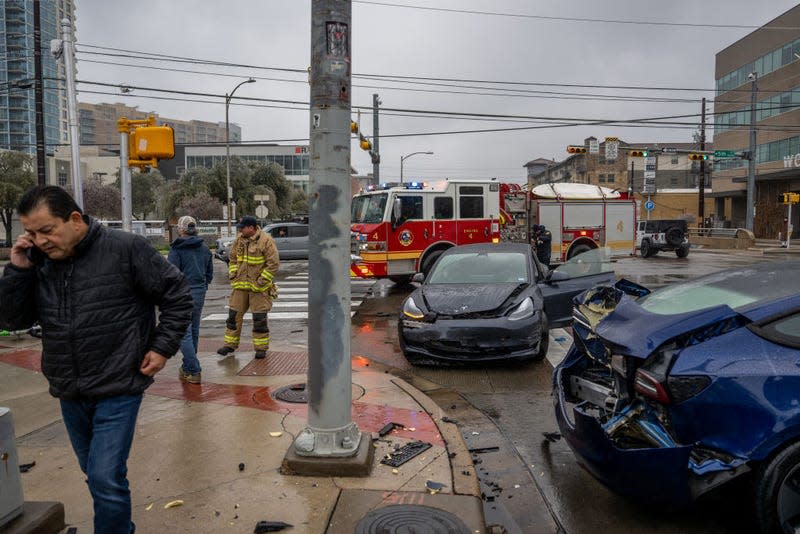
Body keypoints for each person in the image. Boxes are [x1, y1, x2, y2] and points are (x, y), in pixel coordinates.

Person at [0, 185, 192, 534]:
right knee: (97, 473)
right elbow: (14, 321)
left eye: (46, 230)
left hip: (119, 383)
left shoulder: (125, 248)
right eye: (30, 232)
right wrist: (18, 270)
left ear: (75, 219)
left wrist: (163, 347)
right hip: (69, 389)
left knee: (105, 476)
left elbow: (177, 294)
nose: (39, 240)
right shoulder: (38, 262)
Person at [217, 215, 280, 360]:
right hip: (240, 288)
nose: (240, 230)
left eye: (242, 227)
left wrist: (261, 282)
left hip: (258, 290)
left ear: (251, 228)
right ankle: (230, 345)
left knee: (259, 319)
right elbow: (232, 259)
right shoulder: (239, 240)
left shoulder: (266, 241)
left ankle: (260, 348)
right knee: (233, 317)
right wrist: (233, 273)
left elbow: (273, 264)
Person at [168, 215, 214, 384]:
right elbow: (209, 273)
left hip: (181, 294)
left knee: (182, 332)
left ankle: (194, 370)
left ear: (181, 229)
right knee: (193, 331)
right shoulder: (204, 249)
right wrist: (203, 285)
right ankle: (187, 367)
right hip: (199, 293)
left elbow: (171, 275)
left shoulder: (177, 249)